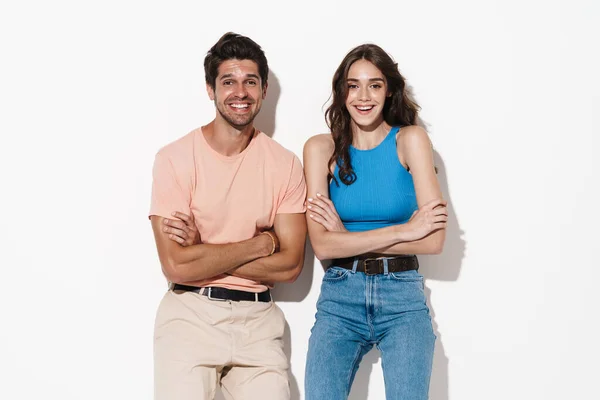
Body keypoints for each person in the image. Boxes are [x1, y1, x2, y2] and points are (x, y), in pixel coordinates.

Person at [149, 32, 307, 400]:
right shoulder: (173, 159)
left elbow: (289, 267)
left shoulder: (284, 165)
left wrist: (202, 250)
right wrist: (262, 243)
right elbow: (176, 266)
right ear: (210, 89)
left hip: (259, 323)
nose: (241, 92)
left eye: (250, 81)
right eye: (228, 81)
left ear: (264, 90)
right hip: (189, 317)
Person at [302, 43, 448, 400]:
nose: (363, 96)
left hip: (402, 294)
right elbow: (322, 245)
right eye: (353, 85)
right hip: (340, 293)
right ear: (341, 91)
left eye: (375, 85)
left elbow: (433, 241)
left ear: (389, 90)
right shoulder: (320, 149)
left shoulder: (411, 140)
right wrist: (404, 230)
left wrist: (346, 236)